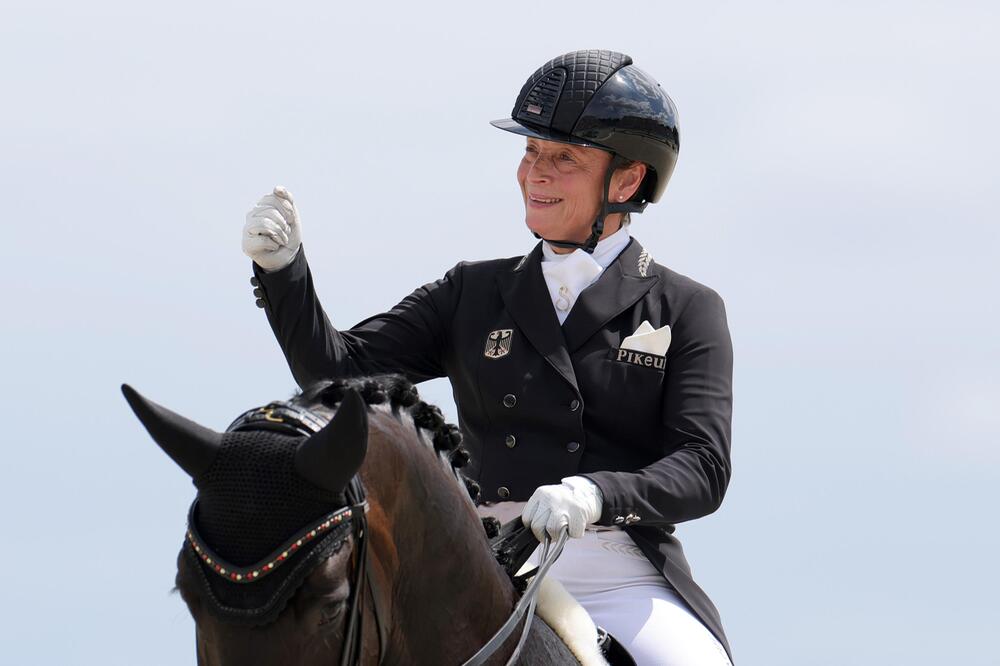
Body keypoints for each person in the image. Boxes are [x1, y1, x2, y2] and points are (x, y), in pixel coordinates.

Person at [242, 49, 735, 666]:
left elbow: (703, 466)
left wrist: (595, 493)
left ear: (627, 181)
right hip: (481, 559)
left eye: (564, 159)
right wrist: (284, 275)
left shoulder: (684, 307)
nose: (537, 175)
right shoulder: (472, 292)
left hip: (617, 567)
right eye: (530, 153)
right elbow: (338, 375)